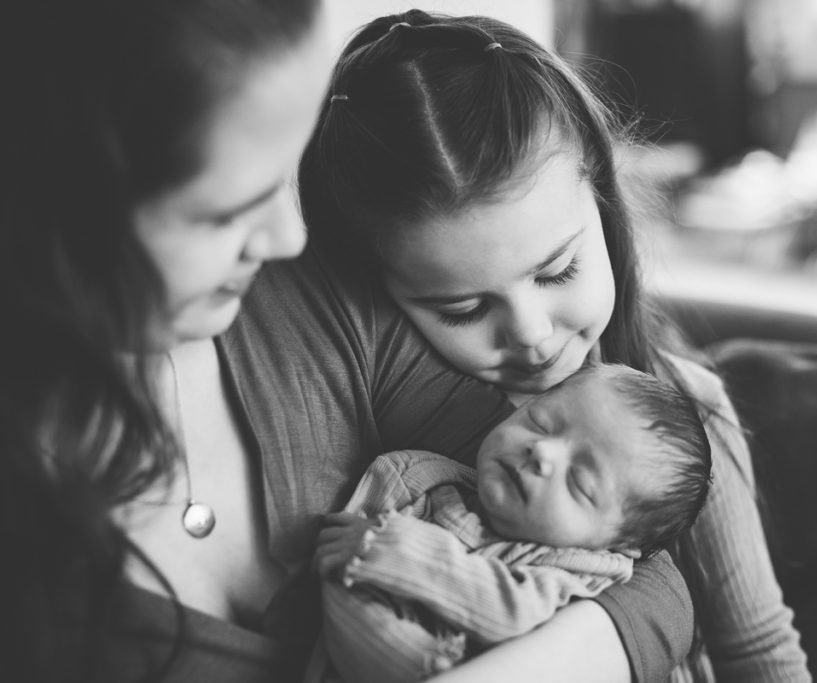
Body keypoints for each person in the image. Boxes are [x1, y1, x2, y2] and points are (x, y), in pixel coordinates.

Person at [4, 2, 692, 682]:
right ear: (59, 208)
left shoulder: (321, 307)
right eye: (225, 211)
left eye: (286, 179)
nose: (288, 237)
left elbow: (643, 577)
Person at [298, 9, 812, 682]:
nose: (533, 334)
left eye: (558, 270)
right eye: (464, 306)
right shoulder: (392, 405)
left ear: (600, 196)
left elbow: (759, 650)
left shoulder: (689, 410)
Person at [306, 363, 713, 683]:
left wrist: (389, 549)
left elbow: (509, 613)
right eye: (540, 422)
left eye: (579, 482)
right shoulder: (417, 480)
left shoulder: (573, 570)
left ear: (617, 545)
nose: (542, 452)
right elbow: (335, 567)